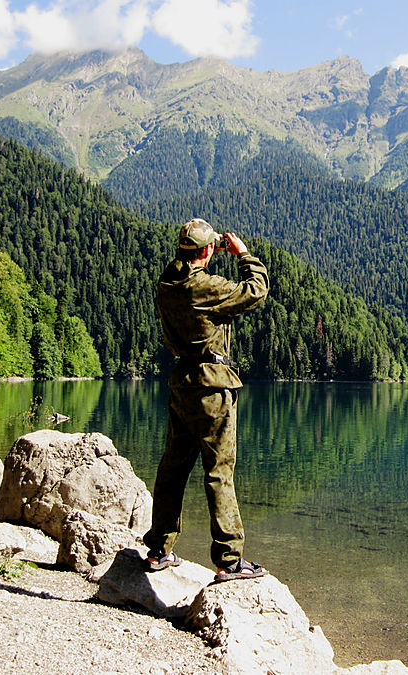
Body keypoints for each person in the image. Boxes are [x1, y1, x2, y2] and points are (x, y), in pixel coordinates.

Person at [144, 218, 270, 582]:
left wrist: (204, 248)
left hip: (182, 383)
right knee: (219, 471)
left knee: (172, 469)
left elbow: (184, 265)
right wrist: (244, 254)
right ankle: (229, 560)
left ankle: (159, 551)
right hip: (212, 387)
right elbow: (255, 290)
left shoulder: (168, 283)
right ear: (207, 251)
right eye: (210, 246)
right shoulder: (203, 288)